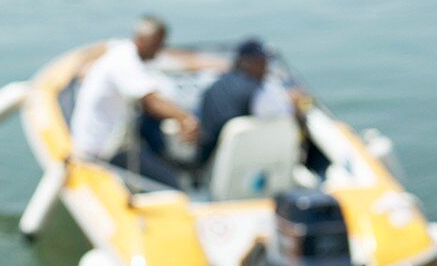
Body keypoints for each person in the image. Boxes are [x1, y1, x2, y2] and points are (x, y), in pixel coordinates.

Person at [70, 16, 198, 187]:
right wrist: (185, 119)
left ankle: (165, 159)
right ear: (143, 41)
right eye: (157, 45)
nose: (159, 50)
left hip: (108, 139)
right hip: (102, 151)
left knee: (149, 125)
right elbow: (151, 101)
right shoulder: (124, 62)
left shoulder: (121, 50)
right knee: (173, 184)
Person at [197, 38, 298, 163]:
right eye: (260, 62)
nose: (266, 66)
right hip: (234, 157)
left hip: (208, 154)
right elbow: (282, 116)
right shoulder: (258, 91)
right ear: (245, 63)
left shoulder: (216, 85)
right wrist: (293, 103)